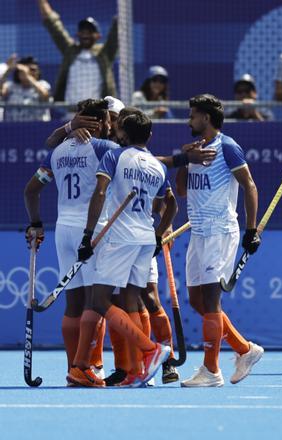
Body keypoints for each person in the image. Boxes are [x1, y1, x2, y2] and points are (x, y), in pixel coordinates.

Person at [67, 110, 175, 387]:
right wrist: (159, 233)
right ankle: (136, 370)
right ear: (149, 136)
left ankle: (149, 350)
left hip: (119, 236)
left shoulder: (114, 156)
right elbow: (171, 205)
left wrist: (88, 235)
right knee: (130, 301)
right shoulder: (158, 166)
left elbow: (100, 192)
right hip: (145, 237)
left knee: (101, 300)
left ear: (122, 134)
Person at [24, 99, 117, 381]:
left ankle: (74, 368)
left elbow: (31, 191)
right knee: (95, 302)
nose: (112, 126)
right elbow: (142, 162)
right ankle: (84, 366)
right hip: (92, 230)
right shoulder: (106, 148)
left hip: (63, 229)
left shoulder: (57, 152)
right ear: (98, 123)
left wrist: (36, 224)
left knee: (74, 303)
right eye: (109, 122)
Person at [175, 94, 264, 387]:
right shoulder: (196, 149)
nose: (189, 121)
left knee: (212, 302)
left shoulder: (227, 146)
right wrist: (185, 160)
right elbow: (183, 191)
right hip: (198, 232)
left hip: (220, 230)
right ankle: (244, 349)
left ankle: (211, 371)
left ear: (207, 119)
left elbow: (249, 186)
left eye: (193, 116)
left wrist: (252, 230)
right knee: (197, 301)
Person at [38, 0, 118, 103]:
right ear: (78, 34)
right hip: (71, 111)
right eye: (82, 31)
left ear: (98, 36)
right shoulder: (70, 50)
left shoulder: (105, 53)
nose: (86, 34)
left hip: (97, 113)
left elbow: (117, 29)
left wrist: (123, 8)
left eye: (90, 31)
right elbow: (53, 25)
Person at [1, 55, 51, 121]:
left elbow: (45, 96)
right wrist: (8, 70)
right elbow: (1, 92)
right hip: (12, 128)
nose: (30, 72)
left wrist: (27, 76)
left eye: (33, 70)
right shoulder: (10, 86)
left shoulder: (43, 84)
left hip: (38, 127)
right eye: (23, 70)